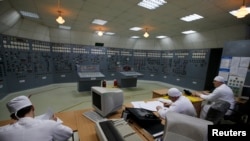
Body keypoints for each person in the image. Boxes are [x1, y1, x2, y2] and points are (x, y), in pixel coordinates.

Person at [0, 95, 73, 141]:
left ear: (13, 117)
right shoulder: (50, 124)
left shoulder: (2, 131)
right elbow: (69, 132)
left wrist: (10, 126)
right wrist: (53, 123)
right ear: (33, 107)